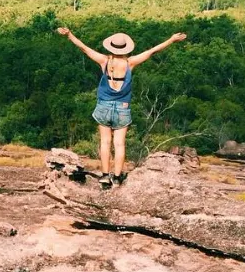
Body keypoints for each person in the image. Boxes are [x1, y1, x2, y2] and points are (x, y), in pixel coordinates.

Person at [57, 28, 187, 187]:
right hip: (122, 108)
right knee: (119, 144)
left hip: (103, 106)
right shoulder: (129, 63)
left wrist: (69, 34)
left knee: (105, 142)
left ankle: (105, 176)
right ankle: (117, 178)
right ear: (126, 48)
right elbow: (152, 51)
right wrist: (171, 39)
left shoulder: (104, 61)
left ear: (110, 47)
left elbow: (84, 48)